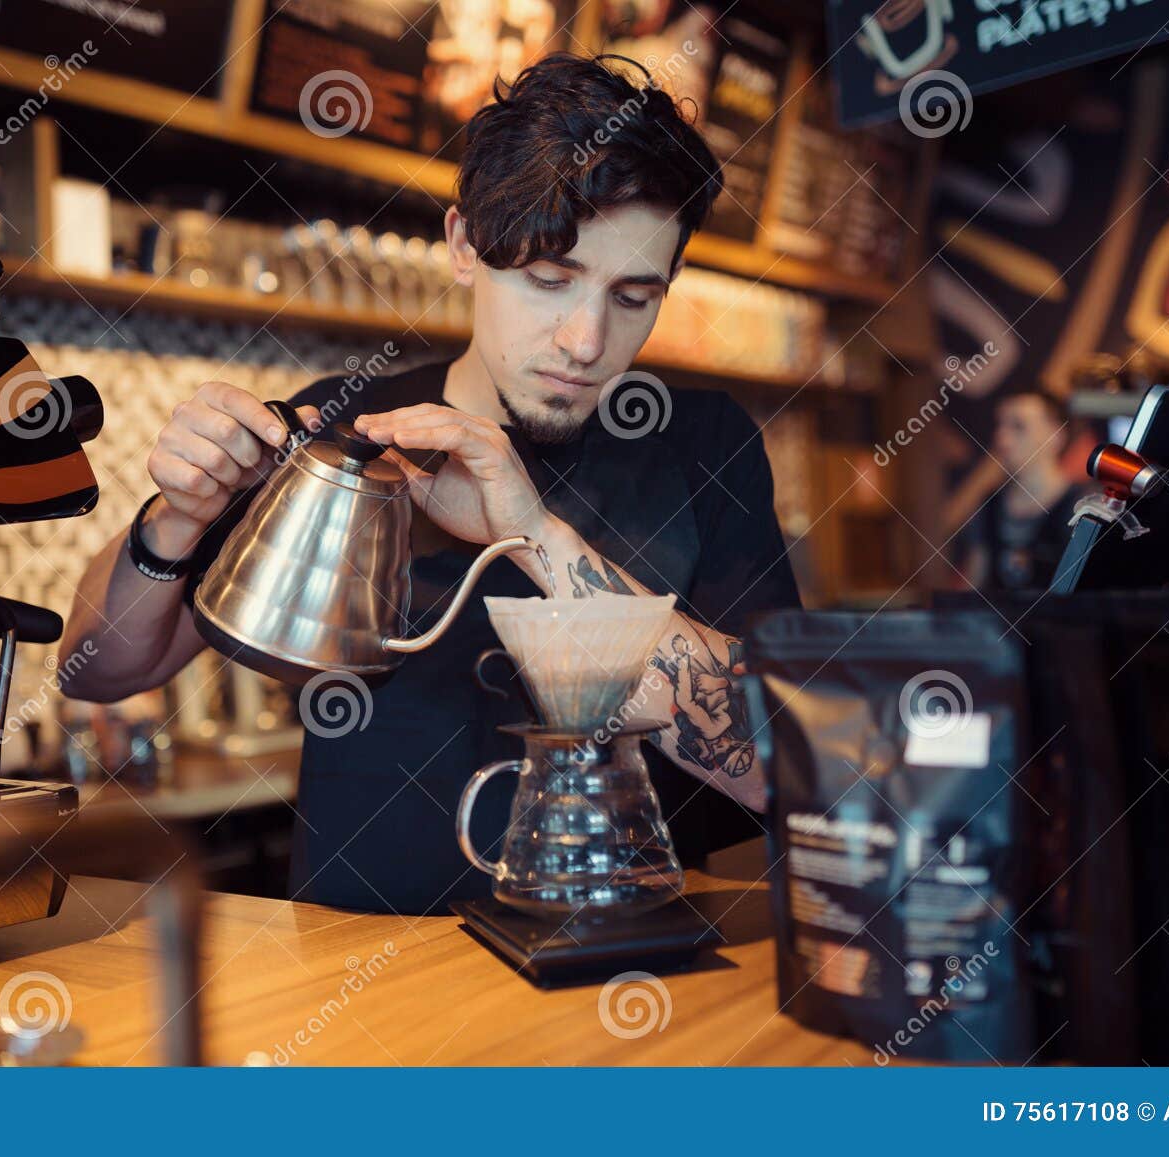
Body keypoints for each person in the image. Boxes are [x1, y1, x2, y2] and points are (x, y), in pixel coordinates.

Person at [59, 53, 801, 915]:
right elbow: (98, 670)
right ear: (461, 246)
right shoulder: (346, 431)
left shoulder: (703, 444)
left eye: (633, 297)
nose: (586, 340)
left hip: (625, 989)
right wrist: (178, 520)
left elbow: (783, 766)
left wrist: (532, 534)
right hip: (358, 999)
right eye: (550, 282)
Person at [962, 389, 1085, 592]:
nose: (1002, 439)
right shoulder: (990, 504)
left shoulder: (1082, 506)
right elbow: (975, 587)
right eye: (1000, 426)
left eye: (1018, 427)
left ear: (1056, 435)